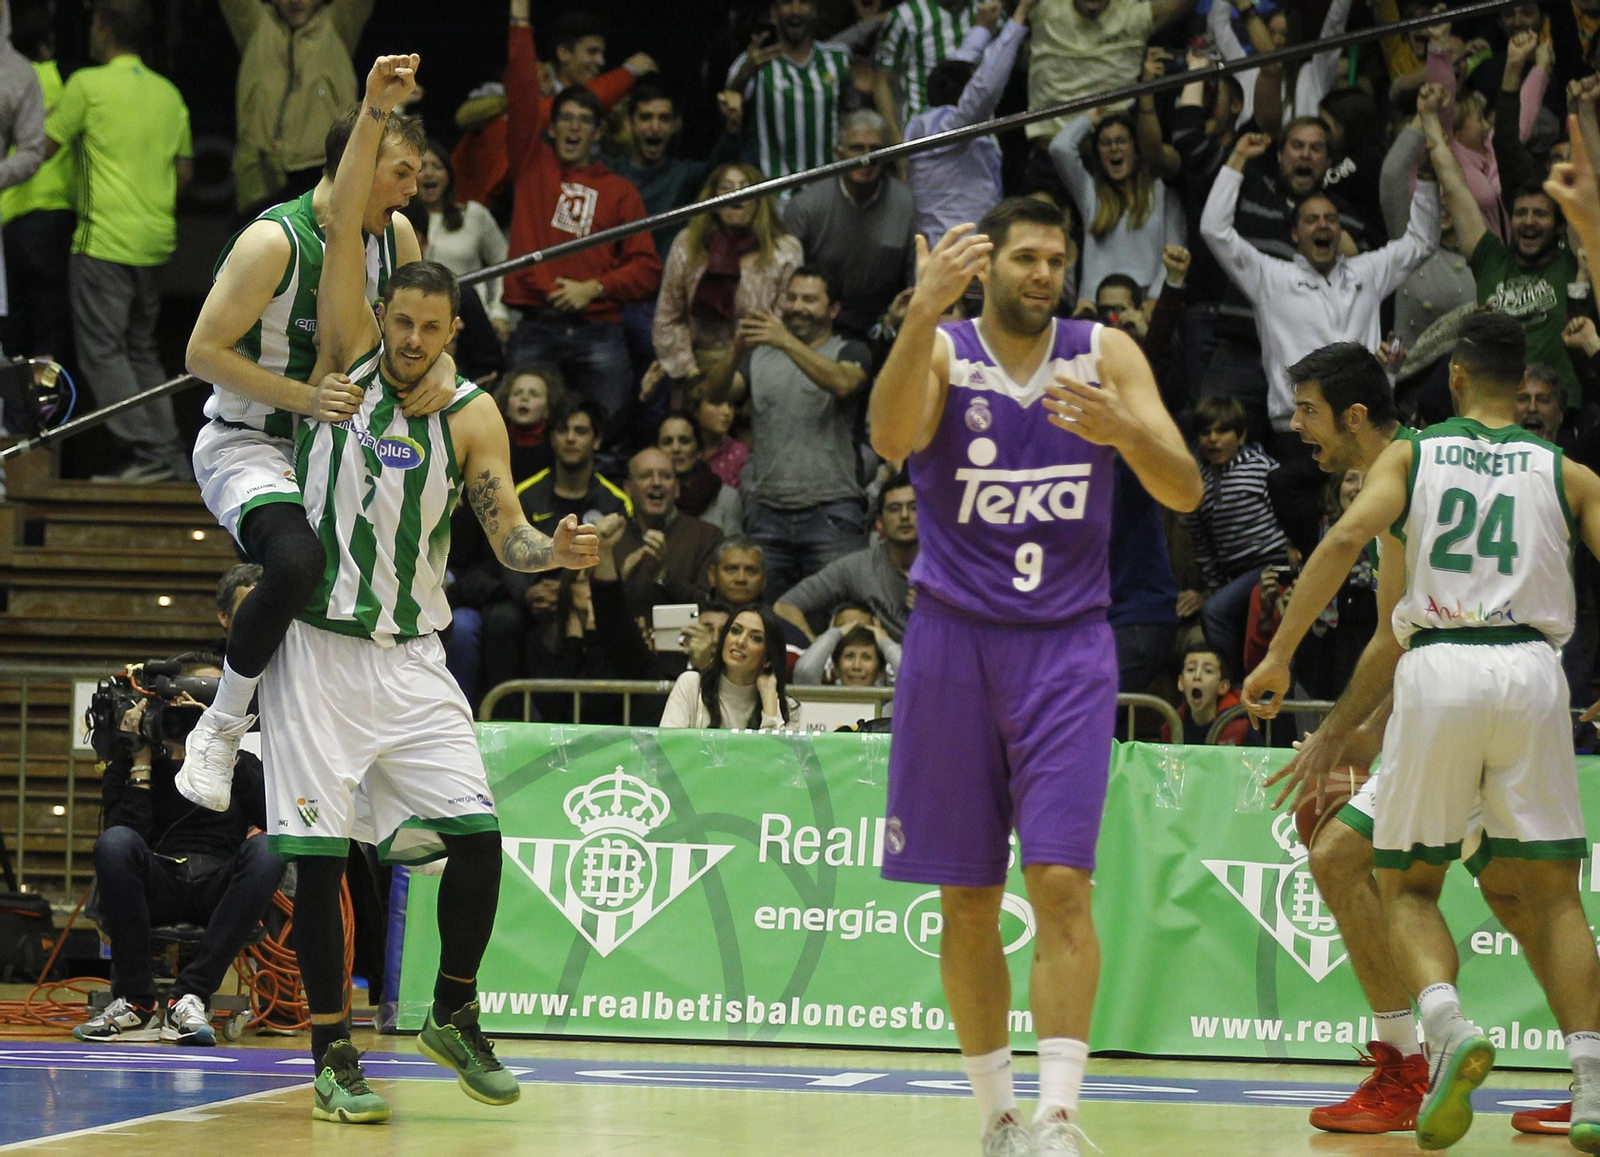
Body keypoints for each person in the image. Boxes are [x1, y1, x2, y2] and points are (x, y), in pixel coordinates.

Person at [264, 54, 598, 1123]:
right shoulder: (347, 347)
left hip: (411, 656)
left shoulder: (474, 416)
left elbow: (508, 536)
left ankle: (453, 1007)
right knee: (319, 857)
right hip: (319, 645)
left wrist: (557, 549)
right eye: (399, 323)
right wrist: (372, 109)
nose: (407, 341)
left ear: (455, 333)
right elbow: (357, 203)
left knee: (479, 834)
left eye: (427, 329)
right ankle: (330, 1052)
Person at [869, 197, 1201, 1156]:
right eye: (1024, 257)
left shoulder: (1105, 353)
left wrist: (1124, 433)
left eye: (1056, 258)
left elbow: (1183, 487)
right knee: (966, 894)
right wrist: (917, 314)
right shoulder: (943, 347)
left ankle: (1059, 1114)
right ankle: (995, 1117)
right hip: (952, 644)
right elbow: (893, 439)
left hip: (1065, 646)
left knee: (1061, 881)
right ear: (988, 268)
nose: (1042, 273)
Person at [1243, 312, 1600, 1152]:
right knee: (1544, 898)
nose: (1300, 430)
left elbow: (1361, 579)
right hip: (1532, 677)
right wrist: (1349, 732)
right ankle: (1586, 1080)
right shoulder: (1566, 468)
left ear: (1455, 379)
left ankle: (1438, 1039)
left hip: (1442, 677)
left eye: (1308, 412)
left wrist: (1284, 660)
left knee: (1411, 886)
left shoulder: (1417, 458)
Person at [177, 102, 449, 815]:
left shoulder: (398, 234)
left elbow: (425, 328)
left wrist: (445, 371)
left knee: (382, 581)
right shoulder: (275, 242)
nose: (410, 190)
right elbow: (202, 354)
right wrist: (304, 396)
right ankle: (221, 725)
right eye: (399, 174)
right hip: (253, 440)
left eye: (416, 177)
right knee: (298, 563)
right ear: (353, 166)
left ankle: (372, 761)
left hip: (340, 444)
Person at [73, 656, 284, 1047]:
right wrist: (140, 761)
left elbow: (273, 818)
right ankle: (135, 1001)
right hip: (157, 882)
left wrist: (223, 745)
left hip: (217, 886)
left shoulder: (238, 761)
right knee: (115, 843)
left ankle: (191, 995)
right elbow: (125, 836)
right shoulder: (138, 757)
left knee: (270, 849)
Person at [1201, 131, 1439, 456]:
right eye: (1311, 220)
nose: (1322, 226)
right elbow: (1214, 230)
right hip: (1295, 433)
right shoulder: (1269, 276)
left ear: (1341, 231)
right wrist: (1237, 158)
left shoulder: (1366, 272)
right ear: (1295, 234)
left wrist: (1425, 179)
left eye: (1330, 219)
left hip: (1360, 430)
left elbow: (1422, 242)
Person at [45, 0, 189, 483]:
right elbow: (184, 171)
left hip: (102, 239)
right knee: (141, 349)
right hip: (155, 243)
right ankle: (166, 454)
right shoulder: (170, 93)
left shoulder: (86, 85)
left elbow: (42, 144)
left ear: (103, 29)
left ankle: (150, 453)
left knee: (104, 351)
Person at [503, 0, 662, 427]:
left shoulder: (621, 191)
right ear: (550, 128)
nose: (574, 128)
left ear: (597, 131)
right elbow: (520, 88)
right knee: (520, 438)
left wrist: (593, 287)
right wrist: (520, 20)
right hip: (536, 326)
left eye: (584, 121)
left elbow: (647, 268)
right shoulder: (532, 165)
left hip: (599, 329)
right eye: (566, 119)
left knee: (608, 435)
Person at [702, 267, 874, 594]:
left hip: (833, 512)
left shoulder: (850, 350)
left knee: (843, 617)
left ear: (833, 309)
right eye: (791, 298)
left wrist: (785, 340)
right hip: (767, 512)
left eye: (809, 300)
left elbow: (842, 383)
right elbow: (713, 394)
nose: (796, 306)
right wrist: (736, 350)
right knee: (764, 623)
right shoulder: (760, 356)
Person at [1422, 84, 1583, 400]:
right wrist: (1428, 117)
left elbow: (1582, 187)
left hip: (1559, 413)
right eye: (1521, 213)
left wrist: (1577, 110)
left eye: (1540, 214)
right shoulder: (1491, 259)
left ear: (1558, 226)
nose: (1529, 221)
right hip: (1498, 413)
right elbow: (1454, 188)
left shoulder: (1572, 263)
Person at [652, 162, 804, 385]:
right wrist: (691, 374)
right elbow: (669, 317)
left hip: (762, 368)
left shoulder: (785, 250)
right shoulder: (687, 244)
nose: (737, 194)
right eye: (726, 187)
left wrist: (743, 375)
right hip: (696, 367)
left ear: (759, 199)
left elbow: (785, 323)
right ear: (713, 200)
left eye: (745, 187)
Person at [221, 0, 373, 214]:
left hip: (322, 167)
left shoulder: (337, 25)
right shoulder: (256, 24)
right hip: (260, 168)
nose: (295, 1)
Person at [904, 0, 1035, 247]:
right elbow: (986, 87)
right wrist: (1020, 15)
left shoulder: (928, 120)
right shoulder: (944, 129)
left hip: (969, 253)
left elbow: (957, 68)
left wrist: (983, 27)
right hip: (958, 261)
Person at [1178, 397, 1292, 677]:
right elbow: (1203, 544)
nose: (1213, 440)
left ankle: (1232, 685)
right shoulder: (1197, 478)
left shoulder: (1259, 466)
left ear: (1240, 436)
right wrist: (1216, 588)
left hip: (1272, 562)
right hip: (1235, 574)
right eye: (1206, 433)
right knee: (1220, 606)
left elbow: (1289, 510)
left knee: (1215, 611)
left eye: (1222, 431)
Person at [783, 110, 916, 340]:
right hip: (818, 323)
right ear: (838, 154)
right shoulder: (806, 206)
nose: (866, 158)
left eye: (875, 150)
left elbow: (916, 278)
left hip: (887, 321)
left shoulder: (908, 204)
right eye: (856, 148)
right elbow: (786, 285)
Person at [1050, 108, 1186, 314]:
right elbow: (1059, 148)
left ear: (1136, 148)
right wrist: (1091, 116)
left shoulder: (1162, 191)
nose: (1114, 148)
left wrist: (1154, 299)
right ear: (1098, 154)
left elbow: (1175, 248)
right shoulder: (1090, 192)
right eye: (1105, 143)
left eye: (1121, 140)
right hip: (1095, 306)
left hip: (1145, 305)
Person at [0, 2, 71, 364]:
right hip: (52, 218)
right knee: (48, 329)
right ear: (47, 43)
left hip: (9, 217)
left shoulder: (11, 78)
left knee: (12, 327)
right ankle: (45, 413)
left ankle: (12, 415)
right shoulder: (59, 81)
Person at [774, 471, 917, 642]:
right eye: (894, 509)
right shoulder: (858, 567)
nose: (904, 516)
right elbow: (784, 606)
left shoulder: (946, 567)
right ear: (879, 522)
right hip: (881, 665)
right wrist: (818, 650)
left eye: (914, 507)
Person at [727, 0, 855, 189]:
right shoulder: (753, 62)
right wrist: (745, 72)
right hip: (773, 196)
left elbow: (852, 114)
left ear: (815, 11)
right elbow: (728, 107)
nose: (795, 10)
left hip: (829, 193)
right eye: (787, 2)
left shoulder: (839, 59)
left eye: (804, 2)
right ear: (773, 13)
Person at [414, 140, 510, 341]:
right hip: (418, 323)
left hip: (471, 321)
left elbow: (504, 262)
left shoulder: (474, 215)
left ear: (449, 175)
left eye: (437, 167)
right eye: (421, 168)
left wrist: (498, 311)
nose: (429, 174)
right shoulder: (397, 220)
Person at [613, 446, 723, 620]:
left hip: (685, 644)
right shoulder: (611, 537)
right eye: (645, 476)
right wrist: (619, 579)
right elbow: (589, 604)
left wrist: (664, 576)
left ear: (677, 488)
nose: (656, 482)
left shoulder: (707, 537)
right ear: (628, 489)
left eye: (665, 476)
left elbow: (710, 607)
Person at [872, 0, 994, 137]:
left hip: (980, 131)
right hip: (925, 133)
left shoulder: (986, 9)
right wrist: (896, 138)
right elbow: (882, 80)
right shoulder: (907, 16)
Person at [658, 605, 789, 728]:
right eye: (735, 631)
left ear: (768, 658)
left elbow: (775, 752)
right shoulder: (692, 685)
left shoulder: (789, 710)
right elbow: (668, 746)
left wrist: (769, 703)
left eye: (755, 638)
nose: (740, 641)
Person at [656, 411, 743, 537]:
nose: (676, 449)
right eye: (667, 442)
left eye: (684, 441)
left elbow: (734, 552)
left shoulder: (725, 498)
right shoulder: (651, 498)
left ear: (698, 450)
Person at [1157, 643, 1253, 745]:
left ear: (1223, 686)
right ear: (1180, 683)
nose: (1197, 676)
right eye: (1191, 669)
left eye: (1208, 671)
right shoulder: (1172, 727)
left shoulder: (1241, 724)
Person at [793, 608, 902, 685]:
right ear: (836, 667)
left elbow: (913, 677)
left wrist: (885, 642)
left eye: (866, 657)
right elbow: (804, 671)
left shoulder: (893, 705)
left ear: (881, 671)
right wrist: (835, 633)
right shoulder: (823, 700)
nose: (857, 666)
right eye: (849, 656)